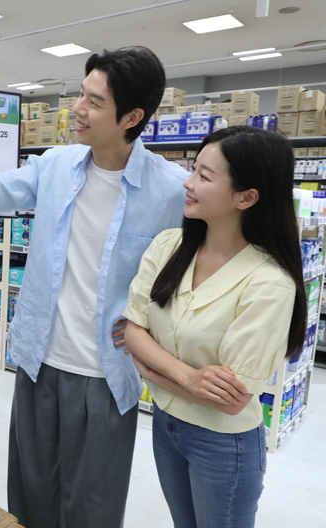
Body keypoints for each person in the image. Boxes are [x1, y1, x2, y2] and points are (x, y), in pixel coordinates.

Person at [0, 46, 189, 527]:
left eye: (95, 102)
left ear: (132, 117)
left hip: (106, 375)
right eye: (81, 95)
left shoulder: (172, 189)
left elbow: (194, 271)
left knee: (93, 510)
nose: (78, 109)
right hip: (38, 362)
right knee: (29, 498)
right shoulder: (55, 165)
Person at [122, 126, 307, 528]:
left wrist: (150, 370)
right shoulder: (168, 246)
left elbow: (230, 401)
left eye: (204, 176)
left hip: (223, 444)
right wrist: (188, 377)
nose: (187, 183)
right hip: (166, 424)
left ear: (246, 197)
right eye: (193, 169)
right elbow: (131, 330)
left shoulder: (268, 282)